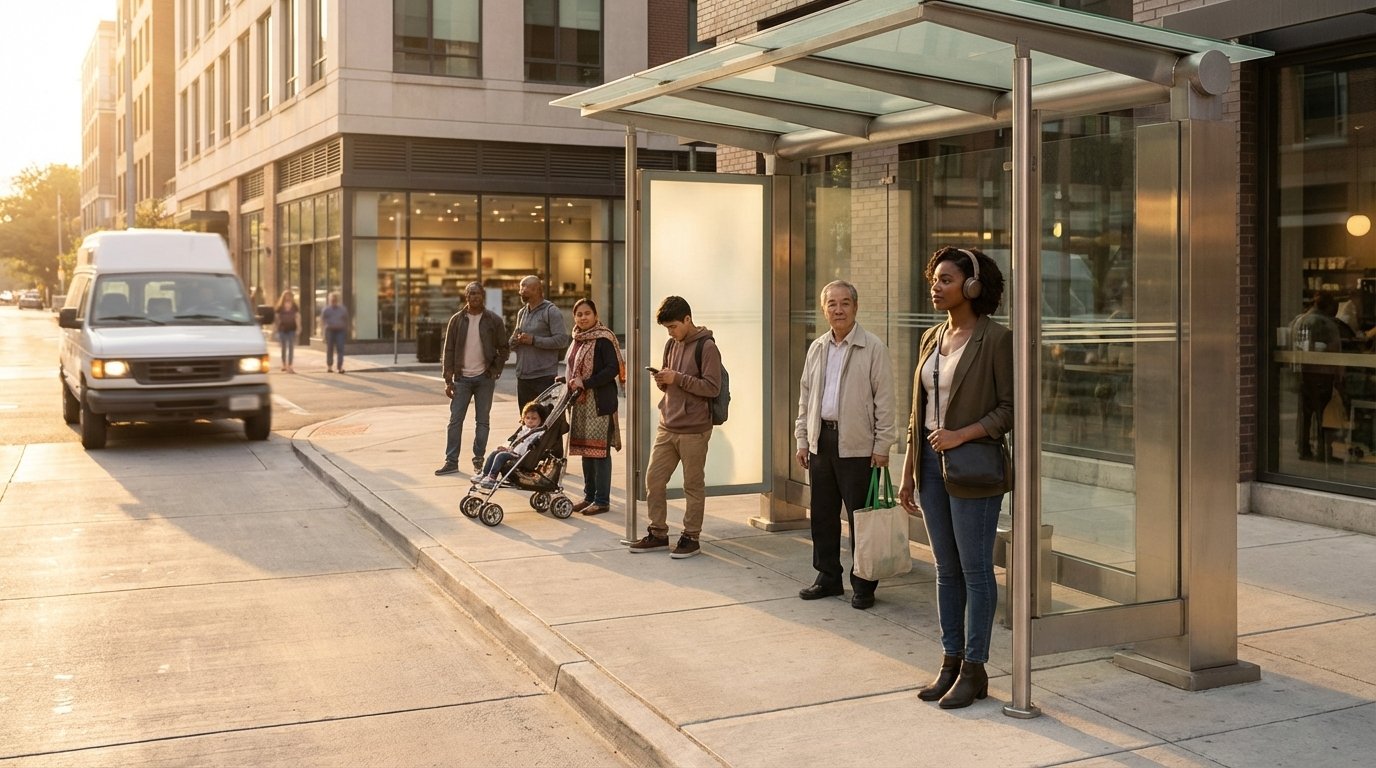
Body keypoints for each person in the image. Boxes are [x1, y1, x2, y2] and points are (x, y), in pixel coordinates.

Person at [897, 246, 1013, 710]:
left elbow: (1009, 409)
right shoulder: (929, 338)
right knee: (946, 571)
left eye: (946, 279)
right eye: (934, 278)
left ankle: (975, 668)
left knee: (976, 570)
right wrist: (907, 472)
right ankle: (949, 661)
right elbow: (916, 413)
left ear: (972, 286)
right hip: (928, 464)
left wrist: (962, 434)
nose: (936, 286)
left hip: (973, 466)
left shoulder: (996, 340)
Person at [794, 280, 896, 609]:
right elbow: (806, 398)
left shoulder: (873, 347)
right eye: (832, 304)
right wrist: (802, 438)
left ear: (855, 307)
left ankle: (864, 583)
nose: (838, 309)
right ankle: (827, 577)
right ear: (824, 310)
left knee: (861, 518)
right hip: (820, 440)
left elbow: (886, 401)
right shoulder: (818, 347)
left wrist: (882, 445)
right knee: (822, 515)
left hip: (858, 445)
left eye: (845, 303)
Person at [630, 296, 721, 558]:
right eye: (667, 328)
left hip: (694, 428)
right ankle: (658, 533)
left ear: (687, 320)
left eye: (673, 326)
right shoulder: (671, 344)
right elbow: (673, 380)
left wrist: (677, 378)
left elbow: (712, 388)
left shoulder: (707, 346)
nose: (670, 332)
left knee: (693, 485)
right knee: (654, 480)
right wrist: (663, 380)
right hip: (667, 424)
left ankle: (691, 537)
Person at [435, 282, 510, 476]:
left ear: (482, 296)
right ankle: (451, 461)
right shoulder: (457, 320)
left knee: (482, 421)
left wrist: (495, 370)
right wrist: (448, 379)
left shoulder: (493, 320)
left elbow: (504, 348)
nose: (474, 297)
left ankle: (478, 460)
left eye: (477, 293)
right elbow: (448, 349)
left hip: (485, 378)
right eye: (471, 293)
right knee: (455, 421)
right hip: (461, 378)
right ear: (466, 296)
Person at [565, 298, 625, 515]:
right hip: (581, 403)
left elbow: (612, 369)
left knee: (599, 452)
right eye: (579, 314)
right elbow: (572, 368)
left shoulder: (604, 338)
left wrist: (586, 383)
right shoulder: (577, 339)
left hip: (599, 402)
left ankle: (602, 500)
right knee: (585, 451)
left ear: (596, 315)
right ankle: (589, 496)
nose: (583, 317)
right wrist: (566, 380)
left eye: (587, 313)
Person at [1290, 293, 1342, 461]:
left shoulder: (1298, 320)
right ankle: (1323, 451)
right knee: (1323, 414)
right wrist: (1339, 374)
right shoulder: (1325, 324)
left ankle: (1304, 448)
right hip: (1322, 373)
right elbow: (1334, 351)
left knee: (1305, 413)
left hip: (1303, 373)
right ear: (1328, 307)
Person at [510, 276, 571, 407]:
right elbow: (514, 338)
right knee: (527, 422)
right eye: (521, 287)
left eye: (525, 287)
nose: (521, 291)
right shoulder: (522, 312)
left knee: (546, 421)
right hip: (523, 377)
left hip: (544, 378)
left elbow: (562, 340)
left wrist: (534, 340)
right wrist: (513, 341)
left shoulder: (551, 311)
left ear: (538, 290)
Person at [475, 401, 549, 488]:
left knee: (501, 456)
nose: (530, 421)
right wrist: (507, 448)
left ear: (541, 420)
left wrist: (510, 452)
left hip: (522, 457)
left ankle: (492, 477)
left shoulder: (539, 433)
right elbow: (515, 442)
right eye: (527, 418)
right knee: (495, 453)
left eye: (534, 419)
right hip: (513, 452)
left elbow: (525, 447)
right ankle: (485, 474)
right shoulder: (524, 430)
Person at [320, 291, 350, 373]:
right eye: (332, 300)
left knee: (340, 349)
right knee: (330, 349)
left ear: (338, 300)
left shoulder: (343, 309)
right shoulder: (326, 310)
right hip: (330, 331)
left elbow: (346, 320)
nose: (333, 301)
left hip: (340, 331)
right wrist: (323, 333)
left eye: (335, 300)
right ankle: (329, 366)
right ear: (329, 300)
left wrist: (346, 330)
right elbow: (322, 321)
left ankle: (339, 367)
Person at [273, 290, 300, 373]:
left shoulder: (294, 306)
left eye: (289, 295)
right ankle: (284, 364)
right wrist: (275, 329)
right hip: (282, 329)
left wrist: (299, 327)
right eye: (286, 295)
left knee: (291, 347)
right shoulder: (280, 307)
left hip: (292, 329)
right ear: (283, 297)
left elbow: (297, 317)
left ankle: (290, 365)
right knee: (283, 348)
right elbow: (276, 318)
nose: (287, 297)